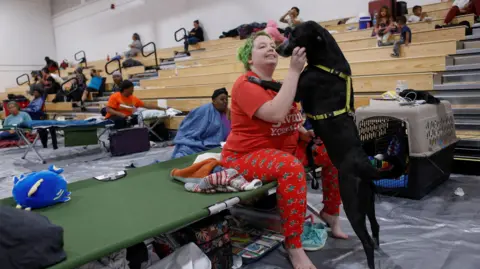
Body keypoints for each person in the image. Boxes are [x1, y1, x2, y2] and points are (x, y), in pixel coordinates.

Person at [221, 32, 347, 269]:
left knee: (331, 152)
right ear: (250, 58)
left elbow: (290, 117)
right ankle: (294, 245)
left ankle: (331, 213)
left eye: (272, 45)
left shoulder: (279, 84)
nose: (270, 48)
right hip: (246, 156)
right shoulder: (244, 84)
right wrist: (294, 71)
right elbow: (275, 114)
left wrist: (301, 132)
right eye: (262, 46)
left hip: (282, 150)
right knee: (290, 167)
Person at [171, 88, 231, 159]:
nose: (225, 102)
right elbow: (191, 129)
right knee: (184, 153)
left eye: (226, 99)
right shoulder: (203, 111)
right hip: (201, 144)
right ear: (214, 100)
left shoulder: (228, 113)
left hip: (221, 145)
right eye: (222, 99)